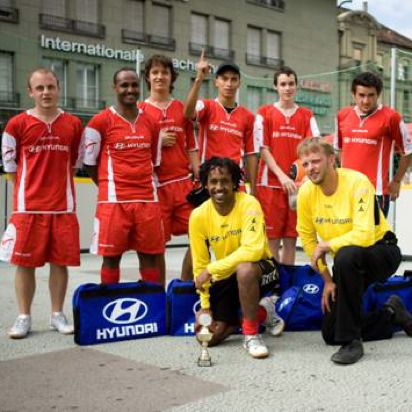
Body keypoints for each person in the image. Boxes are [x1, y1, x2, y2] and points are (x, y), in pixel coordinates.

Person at [296, 137, 412, 365]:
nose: (310, 168)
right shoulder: (306, 193)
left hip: (381, 251)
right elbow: (308, 240)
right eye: (306, 164)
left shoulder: (358, 183)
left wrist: (327, 245)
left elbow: (365, 234)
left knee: (346, 255)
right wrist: (327, 280)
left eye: (316, 161)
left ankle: (351, 342)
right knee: (330, 334)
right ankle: (391, 314)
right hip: (346, 263)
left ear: (332, 160)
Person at [0, 68, 82, 339]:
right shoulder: (16, 124)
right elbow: (11, 168)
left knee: (60, 263)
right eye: (40, 88)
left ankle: (57, 315)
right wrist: (32, 191)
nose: (46, 92)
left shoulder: (73, 124)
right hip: (28, 208)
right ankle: (24, 317)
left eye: (50, 86)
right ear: (30, 92)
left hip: (62, 207)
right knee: (25, 264)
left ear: (58, 88)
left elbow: (75, 163)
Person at [190, 157, 284, 359]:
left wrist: (212, 270)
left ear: (234, 183)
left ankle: (251, 334)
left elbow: (254, 250)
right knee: (207, 338)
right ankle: (261, 313)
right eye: (213, 182)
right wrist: (206, 306)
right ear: (206, 184)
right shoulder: (198, 216)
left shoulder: (249, 204)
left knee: (245, 269)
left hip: (262, 268)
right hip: (226, 275)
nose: (219, 187)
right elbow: (200, 264)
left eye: (224, 181)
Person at [83, 68, 166, 286]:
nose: (130, 90)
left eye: (134, 85)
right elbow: (89, 163)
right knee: (111, 258)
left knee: (149, 257)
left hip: (147, 200)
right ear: (115, 88)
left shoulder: (152, 122)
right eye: (124, 85)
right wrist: (108, 186)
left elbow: (155, 162)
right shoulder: (99, 121)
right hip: (113, 202)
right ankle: (110, 308)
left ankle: (149, 306)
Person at [139, 55, 200, 281]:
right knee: (155, 247)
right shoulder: (140, 110)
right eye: (155, 72)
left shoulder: (181, 109)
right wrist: (157, 140)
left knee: (200, 236)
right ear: (147, 77)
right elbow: (136, 149)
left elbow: (192, 146)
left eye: (164, 72)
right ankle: (158, 295)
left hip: (182, 184)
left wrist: (199, 173)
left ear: (171, 77)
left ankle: (182, 287)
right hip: (155, 188)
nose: (159, 77)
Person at [254, 66, 320, 265]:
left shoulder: (307, 115)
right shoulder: (264, 112)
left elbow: (315, 146)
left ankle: (288, 286)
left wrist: (305, 177)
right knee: (272, 240)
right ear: (276, 86)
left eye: (291, 84)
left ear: (296, 86)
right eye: (283, 84)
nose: (287, 88)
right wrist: (282, 176)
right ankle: (274, 287)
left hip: (298, 187)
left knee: (291, 240)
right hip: (271, 184)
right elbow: (262, 148)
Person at [334, 71, 412, 217]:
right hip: (346, 191)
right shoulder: (342, 115)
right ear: (353, 94)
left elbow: (408, 152)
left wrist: (396, 181)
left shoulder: (391, 117)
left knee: (373, 240)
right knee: (346, 239)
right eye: (361, 95)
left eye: (371, 95)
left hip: (375, 193)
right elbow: (339, 149)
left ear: (378, 95)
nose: (366, 101)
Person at [184, 51, 258, 195]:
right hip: (209, 181)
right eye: (224, 79)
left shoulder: (248, 116)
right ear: (216, 82)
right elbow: (187, 112)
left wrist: (253, 190)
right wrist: (199, 78)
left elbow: (251, 154)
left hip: (235, 183)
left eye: (233, 79)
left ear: (239, 83)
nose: (229, 84)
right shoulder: (207, 106)